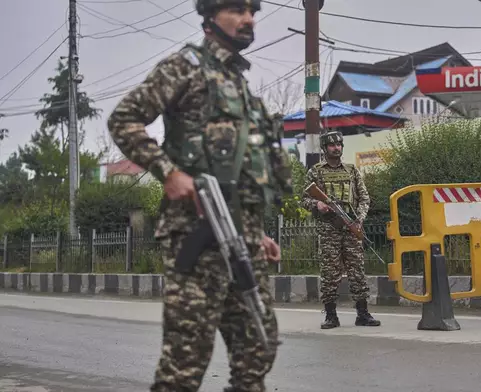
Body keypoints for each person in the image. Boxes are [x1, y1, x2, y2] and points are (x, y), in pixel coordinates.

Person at [106, 0, 293, 390]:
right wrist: (168, 172)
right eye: (237, 10)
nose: (248, 19)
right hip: (195, 234)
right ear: (210, 17)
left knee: (259, 346)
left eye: (252, 11)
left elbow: (236, 172)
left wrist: (256, 232)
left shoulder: (238, 84)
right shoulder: (184, 68)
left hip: (241, 239)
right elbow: (124, 119)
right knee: (185, 362)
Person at [300, 131, 381, 329]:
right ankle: (331, 316)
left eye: (339, 144)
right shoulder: (316, 172)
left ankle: (363, 314)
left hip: (351, 226)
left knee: (357, 272)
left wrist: (359, 220)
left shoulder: (352, 170)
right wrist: (317, 205)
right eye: (332, 145)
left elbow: (364, 198)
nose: (336, 148)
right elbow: (304, 199)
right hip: (329, 230)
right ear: (324, 148)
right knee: (329, 273)